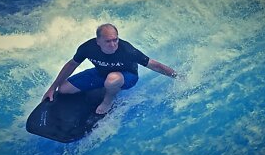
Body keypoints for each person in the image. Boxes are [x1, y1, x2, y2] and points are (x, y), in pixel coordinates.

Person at [42, 23, 177, 114]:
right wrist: (52, 88)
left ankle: (108, 101)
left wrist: (177, 76)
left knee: (112, 79)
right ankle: (104, 86)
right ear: (98, 41)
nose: (113, 45)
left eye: (115, 40)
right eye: (108, 41)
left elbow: (155, 65)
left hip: (127, 76)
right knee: (64, 89)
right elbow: (72, 64)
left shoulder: (127, 50)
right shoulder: (88, 48)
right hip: (101, 73)